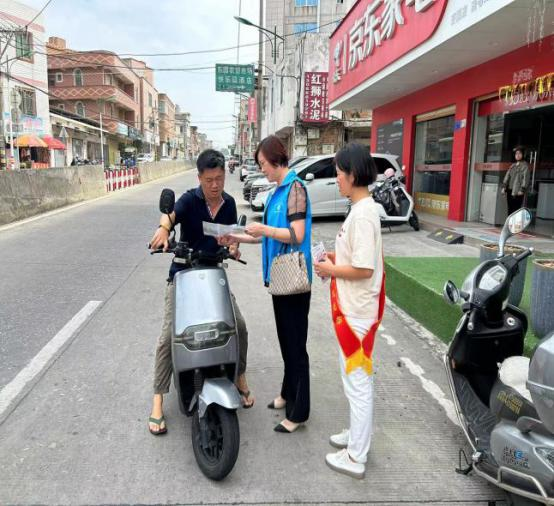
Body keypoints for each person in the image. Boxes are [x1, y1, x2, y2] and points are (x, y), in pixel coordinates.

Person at [147, 149, 254, 436]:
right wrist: (162, 230)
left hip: (213, 275)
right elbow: (170, 216)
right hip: (182, 274)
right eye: (209, 180)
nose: (215, 185)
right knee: (168, 336)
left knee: (239, 326)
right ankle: (158, 399)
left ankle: (240, 376)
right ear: (200, 178)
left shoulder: (229, 204)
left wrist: (233, 248)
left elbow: (232, 239)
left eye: (219, 178)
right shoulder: (189, 200)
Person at [220, 135, 312, 433]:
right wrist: (238, 237)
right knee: (287, 341)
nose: (263, 170)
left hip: (294, 280)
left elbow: (296, 233)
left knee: (296, 346)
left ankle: (299, 413)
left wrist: (264, 228)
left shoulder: (295, 188)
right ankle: (287, 394)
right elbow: (264, 235)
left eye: (264, 164)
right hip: (279, 277)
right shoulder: (277, 191)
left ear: (277, 160)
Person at [314, 143, 385, 480]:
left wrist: (330, 270)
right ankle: (356, 436)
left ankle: (356, 455)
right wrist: (333, 260)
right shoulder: (359, 210)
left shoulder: (365, 214)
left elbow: (364, 269)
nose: (336, 178)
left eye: (339, 172)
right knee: (352, 379)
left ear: (353, 174)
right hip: (354, 308)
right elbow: (355, 260)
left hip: (357, 312)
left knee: (358, 382)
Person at [502, 146, 529, 214]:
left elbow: (526, 178)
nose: (517, 155)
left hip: (518, 191)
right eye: (516, 153)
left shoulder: (525, 166)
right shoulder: (513, 165)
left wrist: (522, 190)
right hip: (510, 190)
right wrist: (504, 187)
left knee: (516, 210)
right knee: (510, 208)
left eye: (519, 153)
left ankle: (514, 224)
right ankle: (509, 224)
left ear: (523, 155)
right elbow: (507, 176)